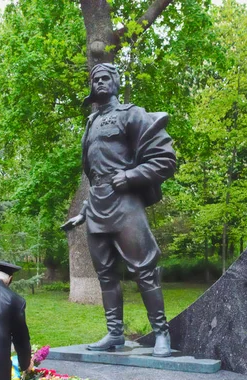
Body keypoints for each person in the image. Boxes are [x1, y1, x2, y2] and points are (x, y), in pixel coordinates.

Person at [62, 63, 176, 357]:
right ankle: (115, 333)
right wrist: (84, 210)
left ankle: (161, 333)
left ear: (115, 82)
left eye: (105, 77)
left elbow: (165, 160)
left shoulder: (132, 114)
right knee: (106, 274)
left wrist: (129, 176)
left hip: (126, 205)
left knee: (144, 270)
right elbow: (94, 174)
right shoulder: (90, 123)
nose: (99, 82)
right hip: (97, 207)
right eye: (95, 79)